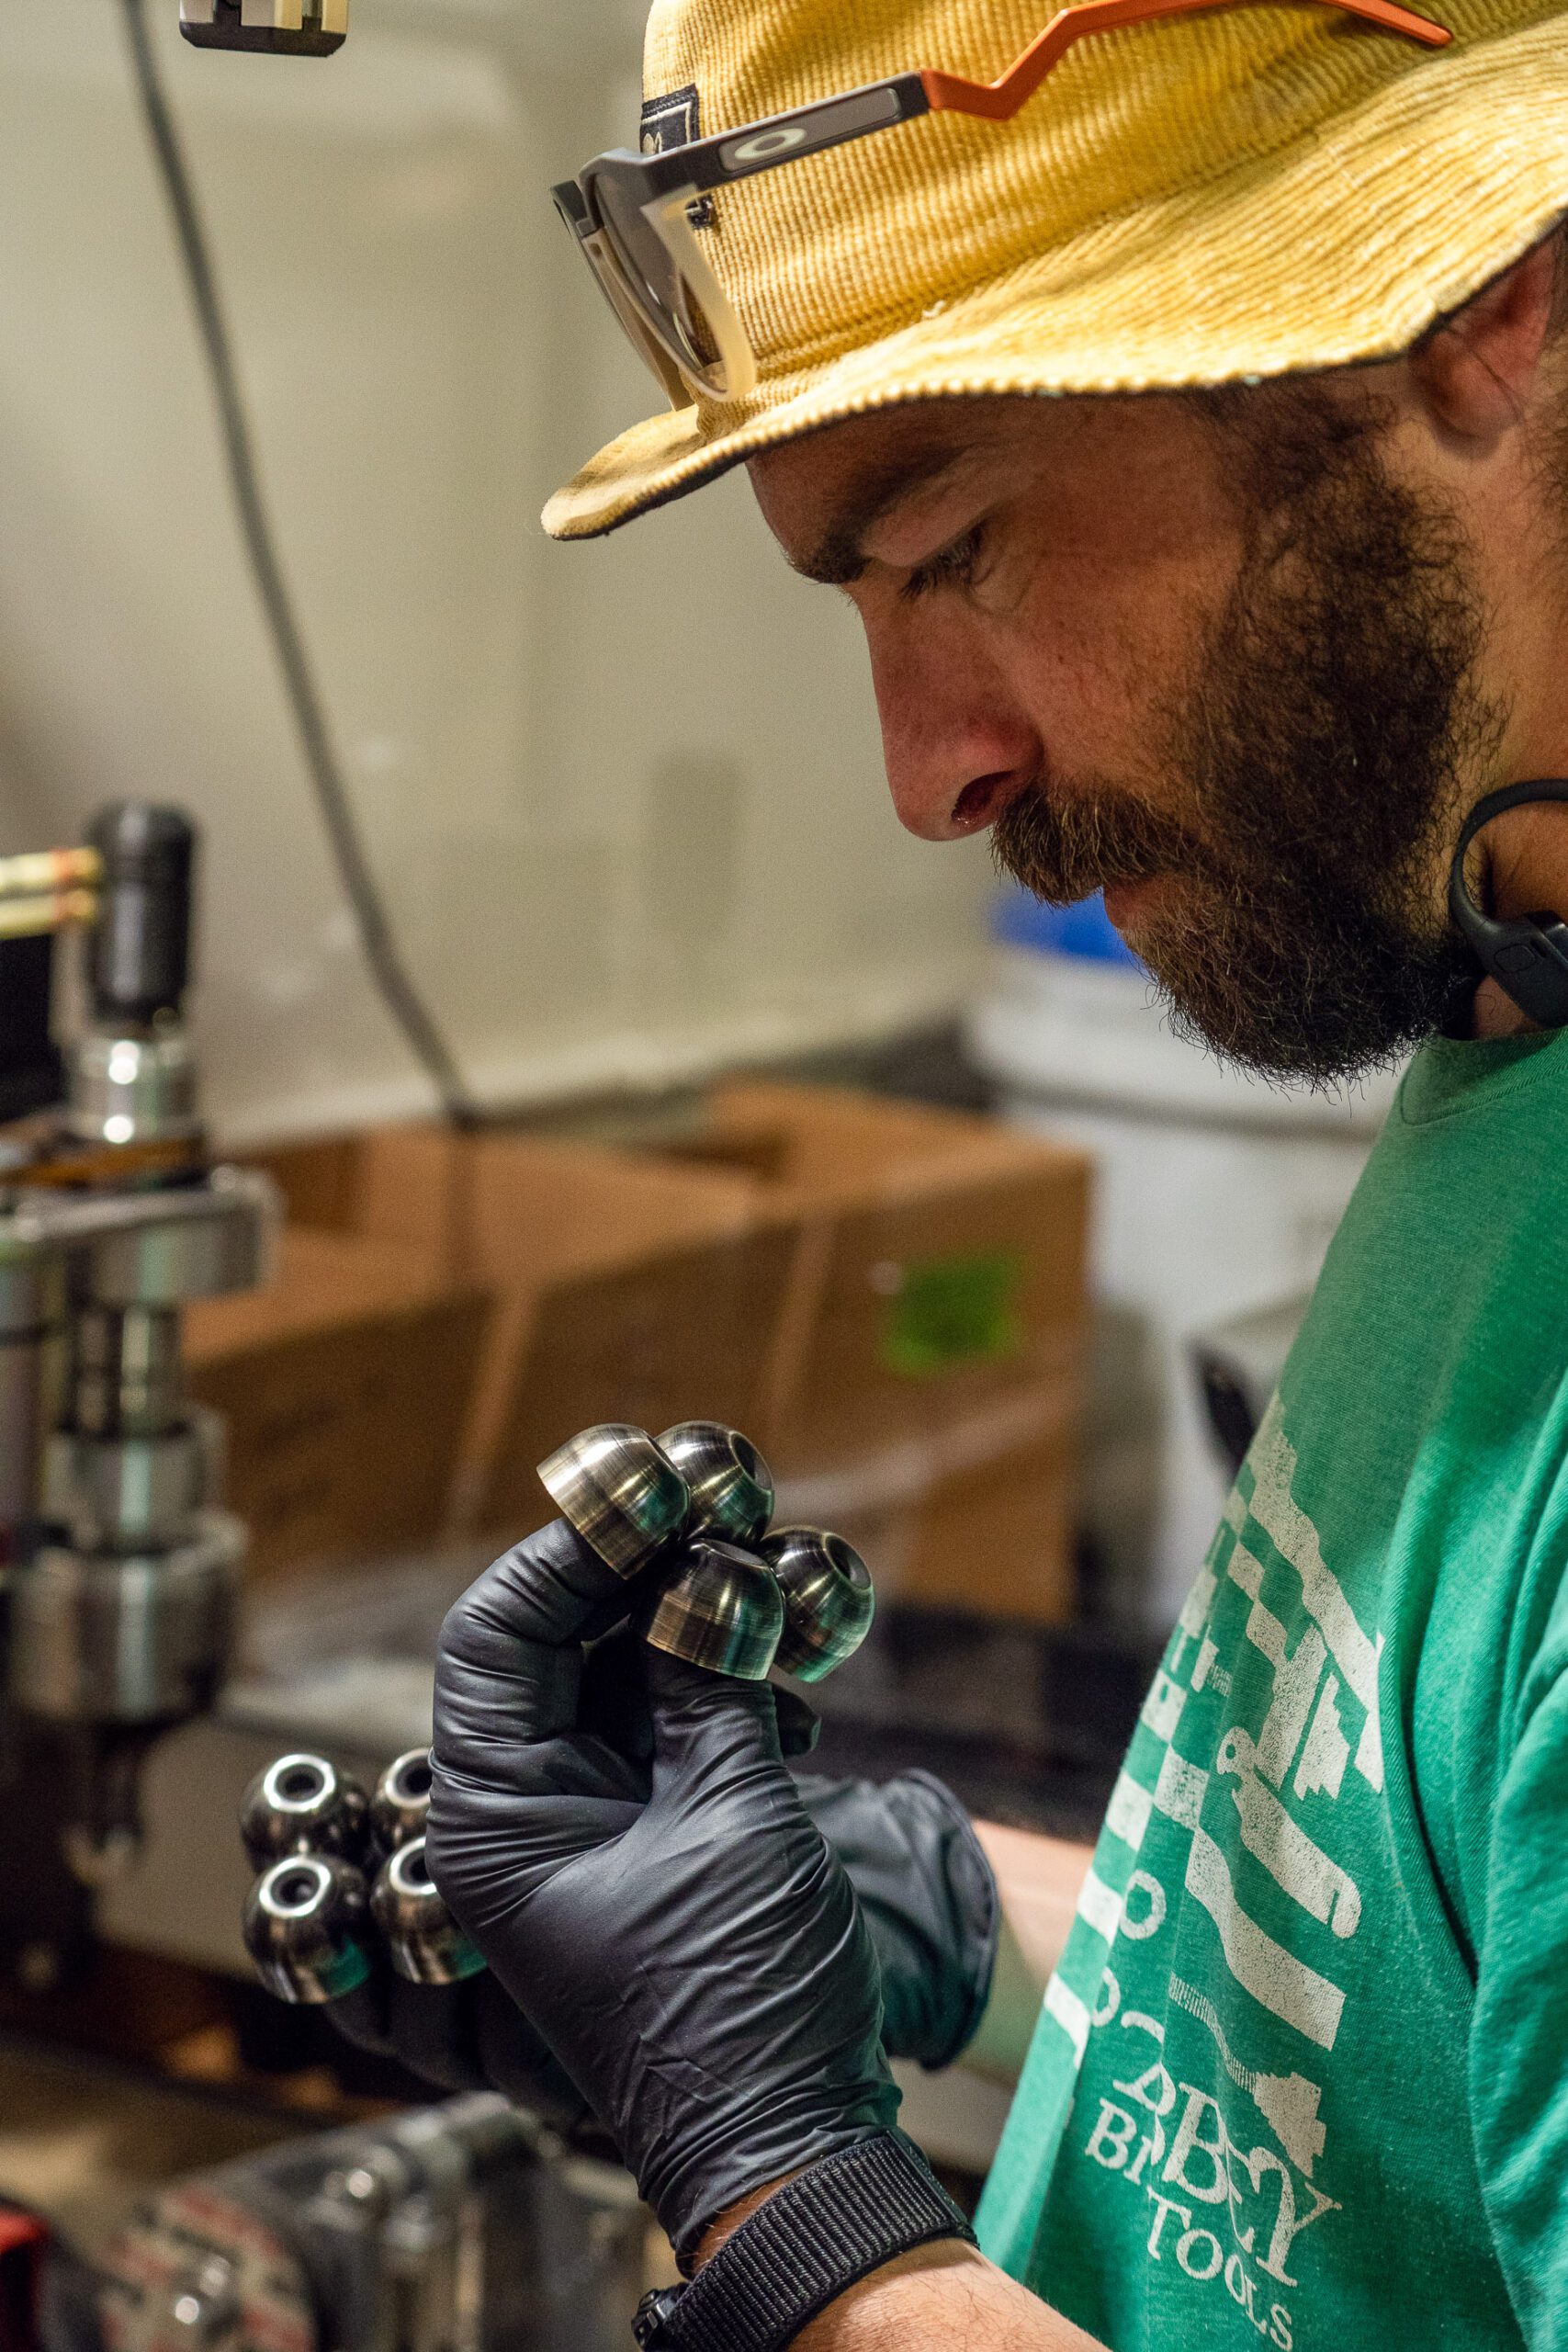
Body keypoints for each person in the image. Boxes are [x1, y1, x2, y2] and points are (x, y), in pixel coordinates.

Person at [401, 0, 1568, 2343]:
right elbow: (1384, 2045)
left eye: (955, 546)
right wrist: (900, 1917)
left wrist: (789, 2205)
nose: (928, 772)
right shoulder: (1504, 1010)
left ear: (1477, 317)